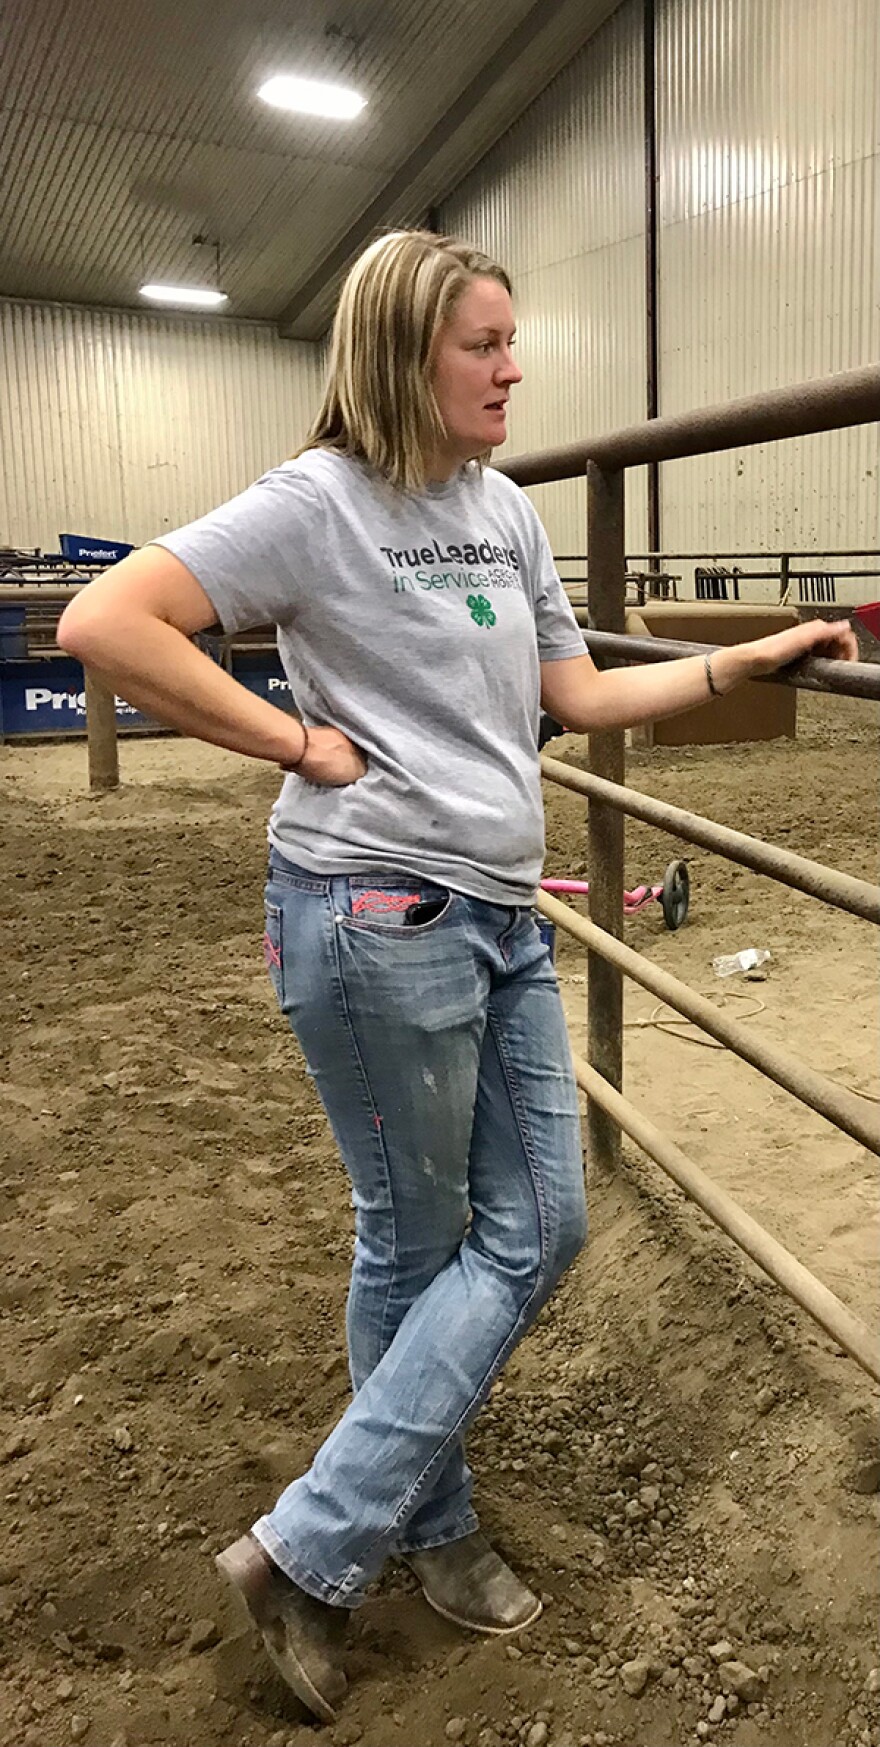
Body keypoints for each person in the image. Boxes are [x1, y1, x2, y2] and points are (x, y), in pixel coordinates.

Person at [57, 229, 858, 1721]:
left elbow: (576, 691)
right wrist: (294, 741)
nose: (513, 366)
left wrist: (742, 665)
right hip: (374, 914)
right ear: (402, 356)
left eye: (510, 338)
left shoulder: (499, 508)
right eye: (482, 343)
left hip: (497, 914)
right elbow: (106, 622)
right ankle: (408, 1533)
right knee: (415, 1240)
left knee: (539, 1224)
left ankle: (314, 1539)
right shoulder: (317, 504)